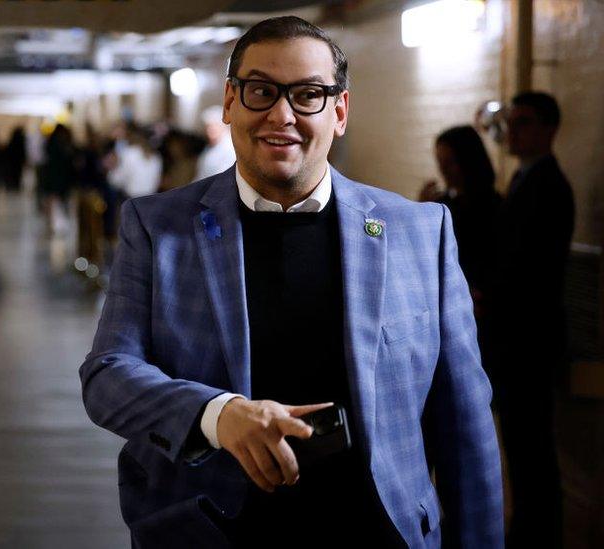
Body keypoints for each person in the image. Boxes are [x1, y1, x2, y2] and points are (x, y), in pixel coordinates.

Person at [80, 16, 503, 548]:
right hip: (215, 531)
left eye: (308, 94)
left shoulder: (421, 232)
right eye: (261, 91)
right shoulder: (157, 227)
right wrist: (216, 415)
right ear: (231, 102)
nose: (282, 114)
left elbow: (464, 428)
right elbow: (107, 376)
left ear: (340, 111)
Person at [492, 92, 574, 549]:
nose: (512, 131)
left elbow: (530, 268)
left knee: (533, 449)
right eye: (511, 121)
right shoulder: (527, 179)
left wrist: (491, 296)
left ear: (548, 129)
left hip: (529, 338)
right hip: (520, 336)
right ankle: (530, 529)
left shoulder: (547, 184)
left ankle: (539, 536)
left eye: (522, 122)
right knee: (523, 447)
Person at [419, 125, 502, 375]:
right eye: (440, 162)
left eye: (451, 162)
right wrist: (422, 211)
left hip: (483, 311)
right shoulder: (445, 203)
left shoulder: (493, 206)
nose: (445, 170)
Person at [195, 106, 237, 180]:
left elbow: (222, 175)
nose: (210, 130)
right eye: (208, 127)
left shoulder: (230, 147)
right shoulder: (210, 146)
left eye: (214, 126)